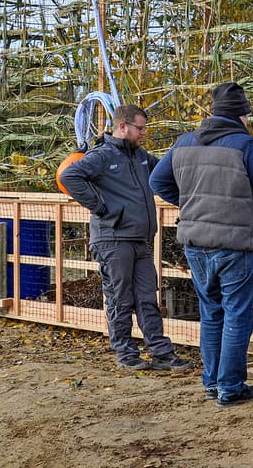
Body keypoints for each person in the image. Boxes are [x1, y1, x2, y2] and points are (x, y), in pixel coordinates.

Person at [148, 82, 253, 407]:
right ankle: (231, 387)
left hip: (196, 245)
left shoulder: (183, 143)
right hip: (239, 246)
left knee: (211, 314)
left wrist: (190, 204)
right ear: (242, 115)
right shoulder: (247, 148)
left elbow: (156, 181)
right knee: (238, 316)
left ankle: (212, 383)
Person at [59, 104, 192, 372]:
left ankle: (161, 352)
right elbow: (69, 176)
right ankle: (126, 352)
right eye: (140, 128)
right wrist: (101, 207)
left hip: (139, 239)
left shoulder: (140, 156)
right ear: (123, 127)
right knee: (120, 297)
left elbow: (166, 171)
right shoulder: (102, 155)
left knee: (146, 296)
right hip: (112, 238)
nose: (143, 133)